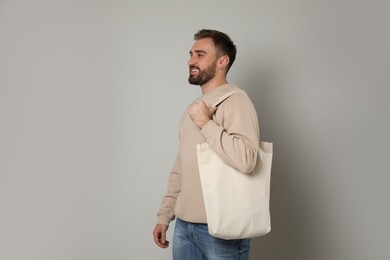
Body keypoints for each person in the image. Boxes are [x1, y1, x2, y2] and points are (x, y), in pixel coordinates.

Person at [153, 29, 260, 260]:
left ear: (223, 61)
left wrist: (206, 123)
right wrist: (165, 215)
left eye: (200, 54)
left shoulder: (236, 101)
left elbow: (248, 159)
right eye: (191, 54)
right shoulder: (193, 108)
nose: (191, 61)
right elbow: (181, 167)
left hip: (222, 231)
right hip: (184, 227)